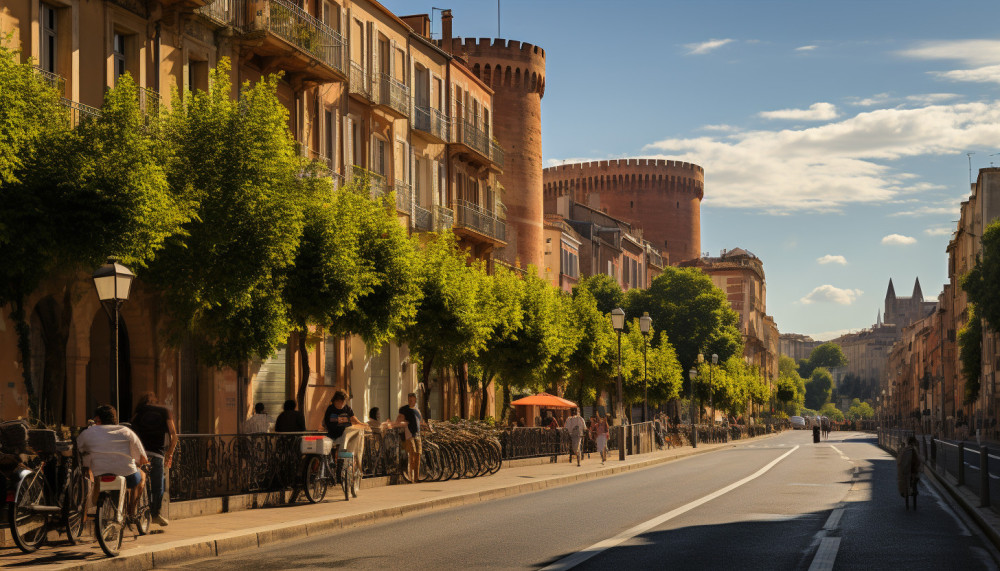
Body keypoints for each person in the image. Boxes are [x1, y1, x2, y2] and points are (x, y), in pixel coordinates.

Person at [78, 405, 148, 518]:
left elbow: (79, 449)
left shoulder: (88, 433)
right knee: (142, 476)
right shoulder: (126, 431)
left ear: (98, 419)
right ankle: (131, 511)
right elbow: (142, 458)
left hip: (99, 474)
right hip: (127, 475)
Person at [130, 392, 177, 527]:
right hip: (157, 454)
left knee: (138, 482)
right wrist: (170, 453)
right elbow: (174, 435)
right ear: (155, 400)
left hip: (140, 454)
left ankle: (132, 512)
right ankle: (156, 513)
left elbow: (131, 430)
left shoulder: (139, 412)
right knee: (158, 485)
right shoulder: (164, 411)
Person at [323, 390, 367, 476]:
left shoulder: (346, 408)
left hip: (342, 434)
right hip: (332, 433)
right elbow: (326, 422)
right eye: (341, 401)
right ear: (336, 400)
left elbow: (352, 417)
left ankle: (339, 470)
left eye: (344, 401)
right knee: (329, 452)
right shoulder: (330, 409)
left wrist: (360, 423)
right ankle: (330, 470)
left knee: (343, 449)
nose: (343, 403)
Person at [393, 393, 432, 483]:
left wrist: (426, 426)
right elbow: (399, 420)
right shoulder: (404, 409)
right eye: (409, 399)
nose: (411, 401)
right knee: (412, 454)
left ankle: (416, 477)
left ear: (415, 400)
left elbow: (421, 422)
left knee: (418, 455)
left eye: (412, 399)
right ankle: (411, 477)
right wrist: (399, 423)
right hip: (409, 435)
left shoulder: (417, 410)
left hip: (417, 435)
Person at [897, 435, 922, 510]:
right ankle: (914, 490)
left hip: (906, 471)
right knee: (915, 480)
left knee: (904, 481)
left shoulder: (905, 450)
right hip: (914, 471)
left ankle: (905, 492)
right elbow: (918, 462)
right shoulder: (914, 450)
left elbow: (900, 461)